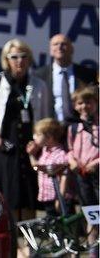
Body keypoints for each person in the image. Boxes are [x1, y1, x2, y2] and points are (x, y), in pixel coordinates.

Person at [0, 38, 51, 219]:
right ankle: (10, 236)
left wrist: (38, 142)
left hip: (28, 144)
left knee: (27, 193)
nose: (19, 61)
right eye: (14, 57)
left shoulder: (37, 84)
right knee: (5, 192)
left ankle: (29, 240)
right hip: (3, 143)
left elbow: (44, 117)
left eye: (23, 56)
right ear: (7, 59)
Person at [31, 33, 98, 124]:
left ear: (72, 49)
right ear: (51, 50)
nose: (60, 47)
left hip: (81, 129)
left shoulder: (87, 74)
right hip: (52, 131)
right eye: (56, 44)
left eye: (64, 44)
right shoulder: (39, 75)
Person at [67, 86, 99, 250]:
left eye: (88, 102)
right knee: (92, 215)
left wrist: (95, 163)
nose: (84, 106)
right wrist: (72, 161)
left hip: (97, 175)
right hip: (82, 177)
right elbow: (70, 150)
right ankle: (93, 249)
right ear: (75, 106)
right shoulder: (74, 128)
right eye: (80, 103)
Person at [26, 118, 71, 215]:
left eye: (38, 135)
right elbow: (37, 167)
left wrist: (60, 199)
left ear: (50, 137)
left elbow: (64, 178)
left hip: (57, 197)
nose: (34, 137)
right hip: (47, 196)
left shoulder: (60, 154)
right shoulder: (45, 151)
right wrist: (31, 154)